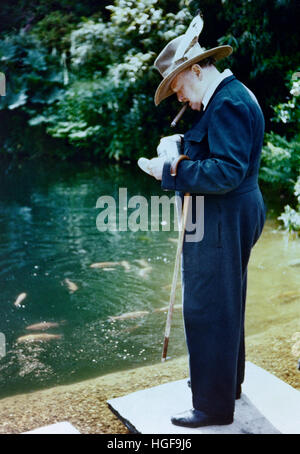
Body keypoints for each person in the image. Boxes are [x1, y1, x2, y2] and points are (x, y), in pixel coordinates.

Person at [145, 14, 267, 428]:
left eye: (179, 87)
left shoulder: (228, 102)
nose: (181, 99)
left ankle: (212, 408)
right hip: (230, 213)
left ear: (196, 70)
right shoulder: (224, 98)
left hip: (222, 217)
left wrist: (168, 168)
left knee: (208, 307)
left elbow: (225, 171)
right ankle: (225, 385)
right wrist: (180, 144)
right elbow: (215, 151)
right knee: (225, 301)